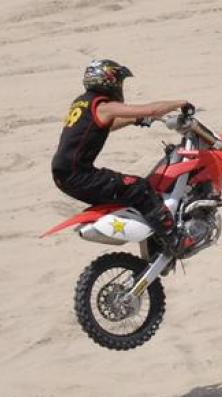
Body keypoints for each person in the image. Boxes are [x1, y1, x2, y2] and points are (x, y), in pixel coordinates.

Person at [51, 59, 191, 252]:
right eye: (120, 81)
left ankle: (150, 233)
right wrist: (180, 103)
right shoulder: (102, 105)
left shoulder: (83, 102)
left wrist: (135, 120)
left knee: (125, 194)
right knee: (140, 188)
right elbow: (150, 109)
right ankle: (174, 239)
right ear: (109, 81)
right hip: (79, 175)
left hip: (64, 174)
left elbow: (107, 124)